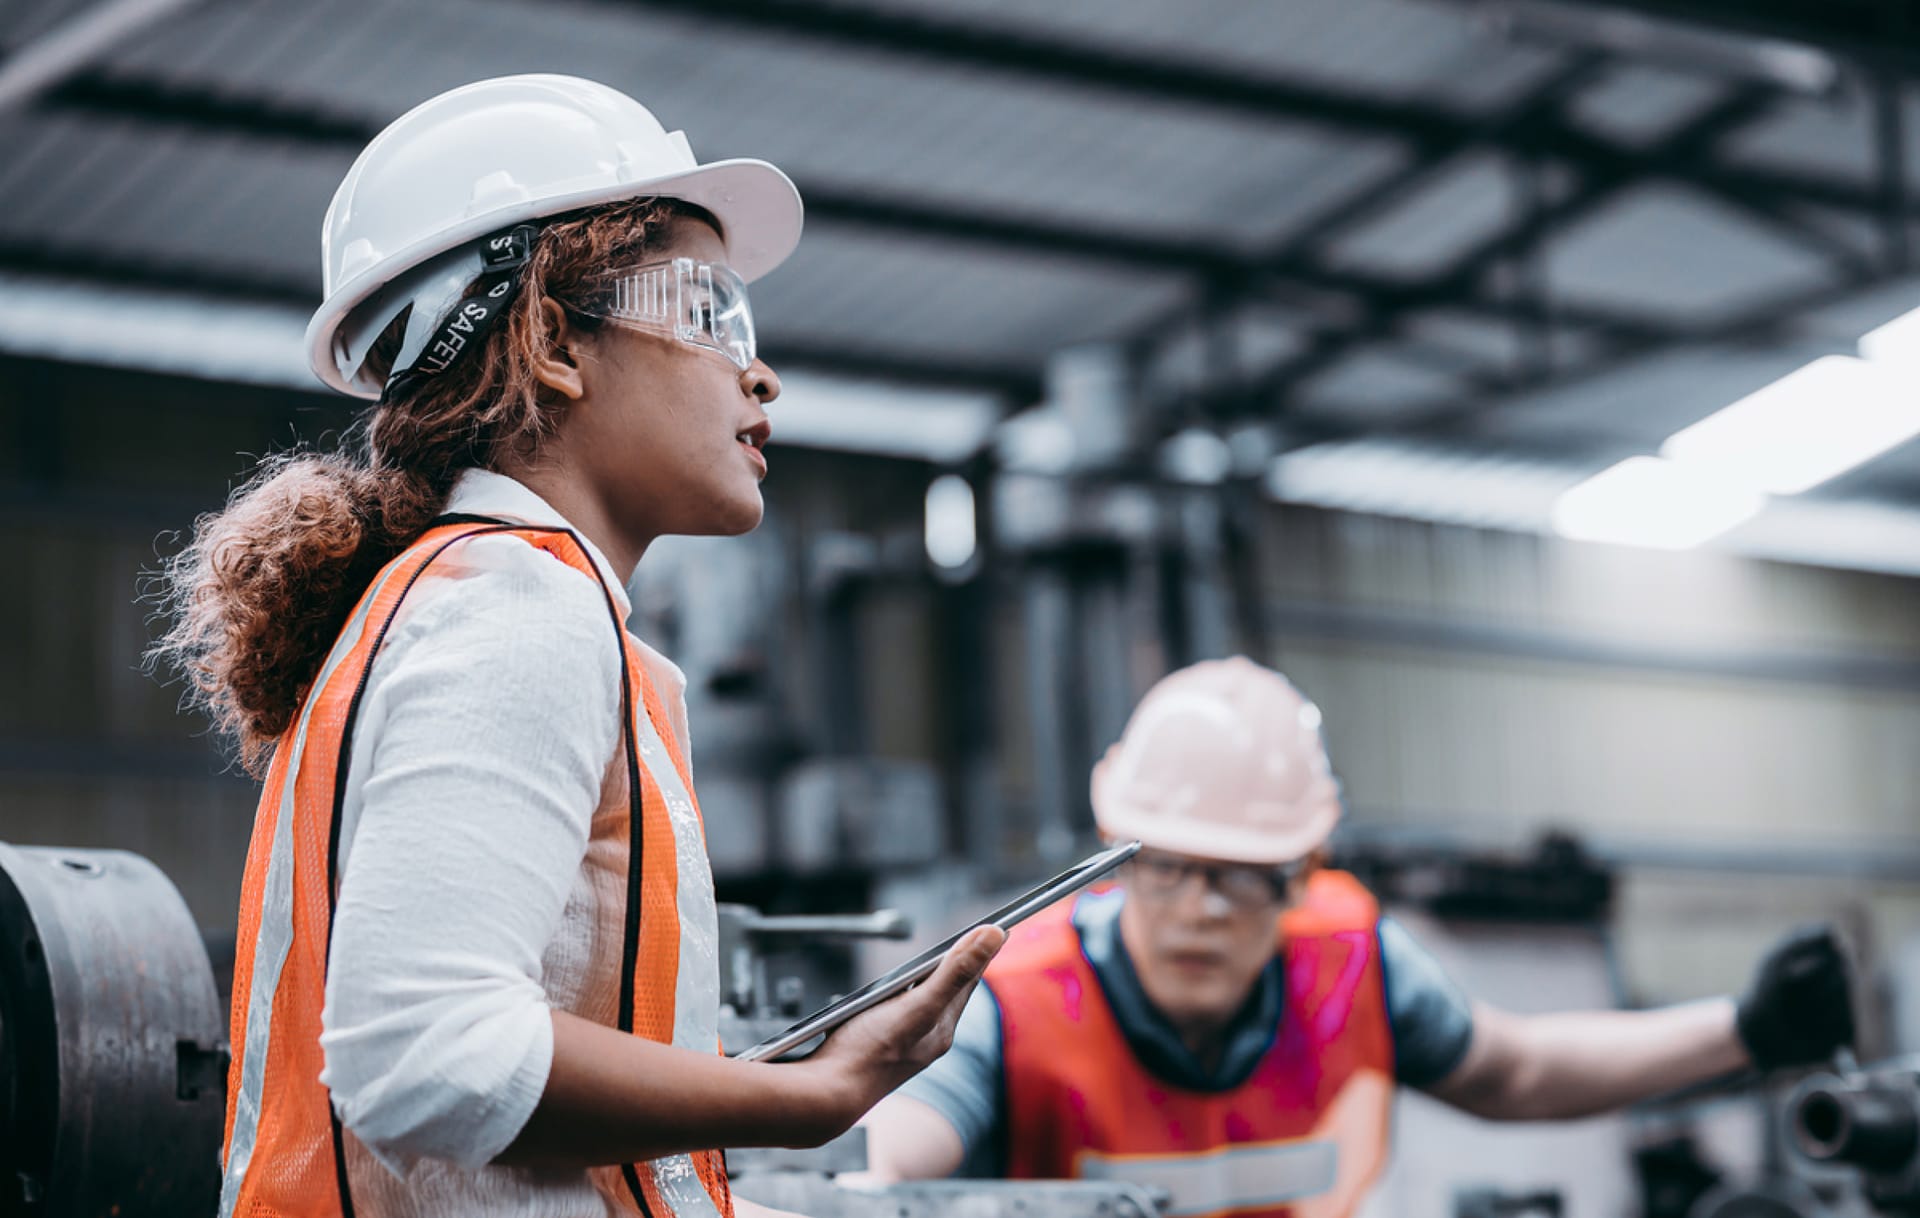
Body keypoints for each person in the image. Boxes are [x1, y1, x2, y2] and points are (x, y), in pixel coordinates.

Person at [152, 74, 1001, 1218]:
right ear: (553, 340)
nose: (760, 373)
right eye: (710, 313)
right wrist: (804, 1097)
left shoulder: (476, 598)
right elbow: (424, 1056)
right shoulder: (513, 610)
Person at [857, 656, 1855, 1217]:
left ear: (1300, 877)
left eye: (1242, 876)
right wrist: (844, 1182)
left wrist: (1749, 1030)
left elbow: (1516, 1069)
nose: (1201, 905)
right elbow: (890, 1151)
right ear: (1116, 855)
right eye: (1166, 865)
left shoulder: (1355, 964)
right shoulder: (1019, 998)